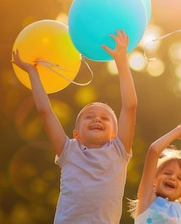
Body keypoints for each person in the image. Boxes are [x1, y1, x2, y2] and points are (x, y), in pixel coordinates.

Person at [11, 29, 137, 223]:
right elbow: (45, 111)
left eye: (105, 118)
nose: (97, 119)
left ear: (115, 133)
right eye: (89, 116)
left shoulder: (119, 150)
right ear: (76, 134)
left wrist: (121, 60)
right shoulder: (69, 150)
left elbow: (129, 107)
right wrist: (32, 72)